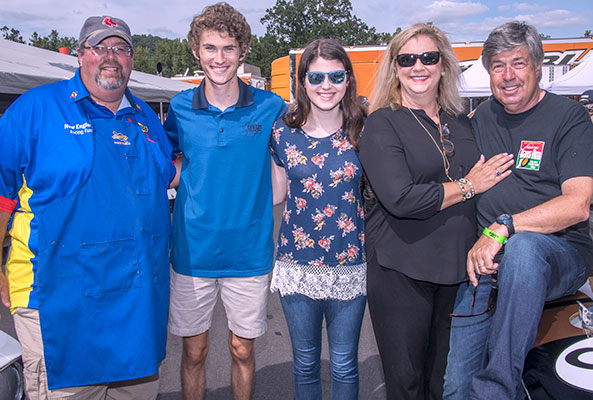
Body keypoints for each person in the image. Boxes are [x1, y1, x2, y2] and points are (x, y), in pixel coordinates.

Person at [0, 15, 175, 399]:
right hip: (59, 301)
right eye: (100, 47)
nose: (111, 57)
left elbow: (171, 176)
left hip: (137, 304)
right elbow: (1, 196)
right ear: (80, 55)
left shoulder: (146, 117)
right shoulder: (36, 109)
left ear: (132, 59)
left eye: (121, 49)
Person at [358, 23, 513, 399]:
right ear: (395, 68)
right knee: (407, 384)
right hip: (401, 272)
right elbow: (401, 198)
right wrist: (468, 186)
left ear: (443, 65)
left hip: (458, 274)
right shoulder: (382, 123)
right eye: (407, 58)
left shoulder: (462, 121)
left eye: (429, 57)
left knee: (442, 383)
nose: (418, 66)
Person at [443, 21, 593, 399]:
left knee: (524, 249)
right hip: (486, 267)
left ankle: (499, 388)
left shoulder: (569, 117)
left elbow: (577, 205)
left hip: (556, 255)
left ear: (538, 66)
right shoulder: (478, 120)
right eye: (497, 66)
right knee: (457, 387)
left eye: (518, 63)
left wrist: (504, 227)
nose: (508, 75)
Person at [163, 3, 286, 400]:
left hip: (248, 252)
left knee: (242, 349)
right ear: (196, 52)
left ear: (243, 51)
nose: (220, 58)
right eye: (210, 48)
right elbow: (162, 162)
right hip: (193, 252)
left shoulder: (270, 108)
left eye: (228, 48)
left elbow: (303, 149)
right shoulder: (180, 108)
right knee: (194, 351)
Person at [270, 38, 367, 400]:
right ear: (303, 81)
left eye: (335, 76)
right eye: (316, 77)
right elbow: (277, 194)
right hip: (298, 265)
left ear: (348, 80)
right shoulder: (282, 132)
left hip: (348, 265)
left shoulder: (364, 129)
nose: (326, 85)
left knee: (344, 364)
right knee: (305, 363)